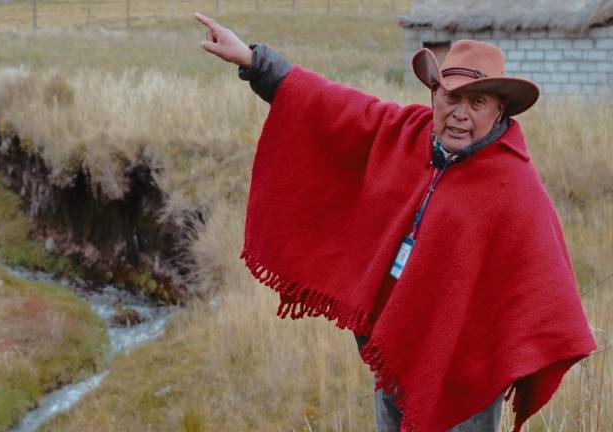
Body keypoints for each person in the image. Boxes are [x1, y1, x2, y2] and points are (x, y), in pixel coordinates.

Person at [194, 12, 597, 432]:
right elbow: (329, 105)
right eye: (451, 97)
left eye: (477, 102)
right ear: (434, 95)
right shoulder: (409, 133)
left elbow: (545, 289)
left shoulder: (514, 184)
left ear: (499, 112)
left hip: (463, 380)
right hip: (392, 350)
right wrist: (254, 61)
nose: (460, 114)